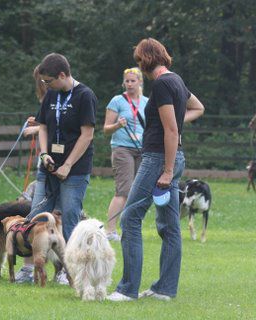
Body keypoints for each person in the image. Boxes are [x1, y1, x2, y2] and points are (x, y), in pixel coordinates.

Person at [107, 38, 204, 302]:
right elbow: (198, 107)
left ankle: (127, 289)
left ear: (145, 60)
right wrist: (171, 123)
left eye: (140, 61)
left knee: (130, 218)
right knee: (169, 224)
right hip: (173, 157)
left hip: (158, 159)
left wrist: (167, 170)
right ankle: (164, 289)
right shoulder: (177, 80)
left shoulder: (161, 84)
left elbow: (171, 130)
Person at [17, 53, 97, 284]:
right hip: (48, 168)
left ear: (62, 75)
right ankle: (28, 269)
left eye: (48, 80)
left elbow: (87, 135)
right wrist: (44, 154)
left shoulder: (85, 96)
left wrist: (68, 165)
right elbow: (42, 126)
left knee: (70, 220)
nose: (45, 85)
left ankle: (70, 272)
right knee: (35, 217)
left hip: (75, 170)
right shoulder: (51, 94)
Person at [103, 67, 148, 241]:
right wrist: (117, 126)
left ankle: (131, 228)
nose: (129, 84)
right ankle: (110, 231)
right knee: (123, 189)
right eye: (127, 81)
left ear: (140, 82)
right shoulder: (117, 101)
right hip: (122, 149)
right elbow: (106, 129)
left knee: (138, 191)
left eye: (133, 81)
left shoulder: (147, 102)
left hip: (142, 149)